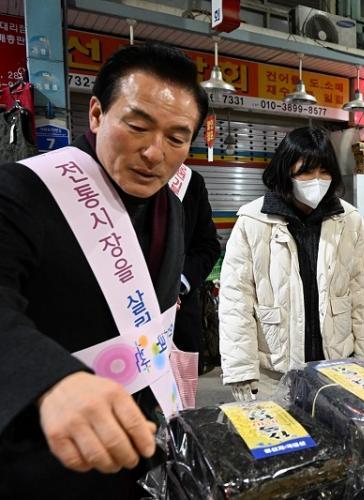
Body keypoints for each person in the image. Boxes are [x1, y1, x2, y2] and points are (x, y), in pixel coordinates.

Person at [0, 44, 208, 497]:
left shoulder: (171, 208)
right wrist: (49, 379)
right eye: (137, 126)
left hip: (140, 445)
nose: (153, 153)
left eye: (176, 138)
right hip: (47, 454)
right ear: (96, 114)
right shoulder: (22, 191)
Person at [219, 127, 364, 401]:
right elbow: (236, 300)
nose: (316, 181)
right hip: (274, 372)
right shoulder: (253, 221)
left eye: (324, 172)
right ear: (286, 171)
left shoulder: (349, 220)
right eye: (306, 172)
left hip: (337, 367)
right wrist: (241, 370)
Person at [171, 168, 221, 374]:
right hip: (114, 332)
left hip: (179, 320)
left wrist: (177, 284)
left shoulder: (191, 182)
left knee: (180, 391)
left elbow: (208, 245)